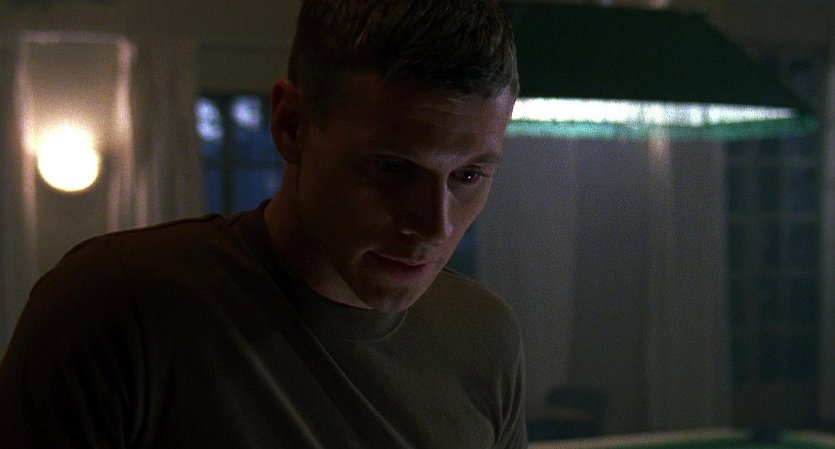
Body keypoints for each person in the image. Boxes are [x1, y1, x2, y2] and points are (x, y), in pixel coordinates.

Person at [0, 0, 525, 447]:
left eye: (468, 175)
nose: (434, 226)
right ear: (291, 125)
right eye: (391, 168)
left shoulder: (483, 336)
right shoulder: (114, 308)